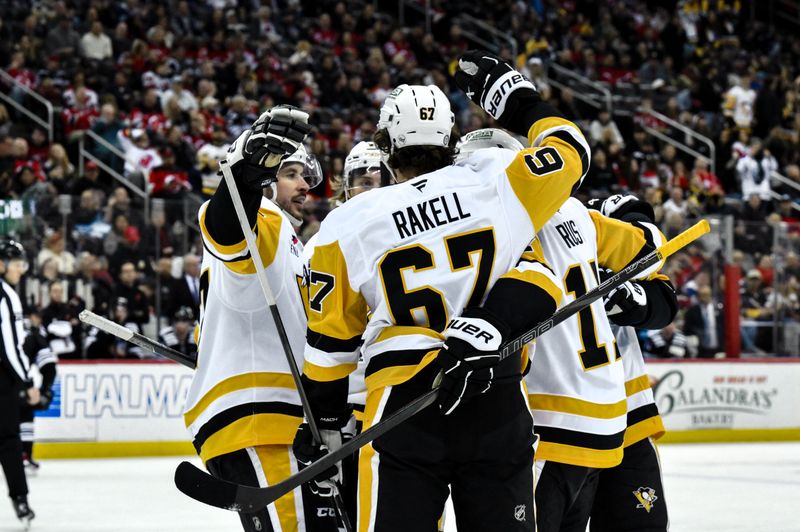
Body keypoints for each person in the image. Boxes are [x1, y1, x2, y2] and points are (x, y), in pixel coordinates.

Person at [293, 50, 590, 531]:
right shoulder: (499, 179)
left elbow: (329, 348)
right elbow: (572, 149)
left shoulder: (346, 223)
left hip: (402, 405)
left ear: (385, 146)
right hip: (495, 393)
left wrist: (324, 426)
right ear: (452, 139)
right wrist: (515, 100)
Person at [181, 105, 342, 532]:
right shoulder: (264, 218)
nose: (305, 183)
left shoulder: (293, 240)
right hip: (262, 416)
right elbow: (228, 228)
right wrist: (245, 173)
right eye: (291, 172)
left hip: (273, 418)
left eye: (308, 175)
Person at [585, 194, 676, 532]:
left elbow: (664, 301)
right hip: (550, 424)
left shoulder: (596, 218)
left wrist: (628, 296)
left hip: (627, 417)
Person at [0, 239, 38, 527]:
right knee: (9, 442)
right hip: (3, 382)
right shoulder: (6, 295)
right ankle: (20, 500)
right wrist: (27, 381)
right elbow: (11, 346)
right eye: (17, 264)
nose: (20, 271)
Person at [19, 307, 57, 474]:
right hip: (21, 384)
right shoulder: (35, 336)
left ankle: (22, 456)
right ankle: (25, 456)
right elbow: (49, 367)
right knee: (24, 418)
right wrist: (45, 390)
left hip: (9, 384)